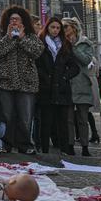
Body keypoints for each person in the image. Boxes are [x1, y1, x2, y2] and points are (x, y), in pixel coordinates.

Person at [0, 5, 42, 155]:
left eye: (17, 19)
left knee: (25, 117)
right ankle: (6, 144)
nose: (14, 22)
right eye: (11, 19)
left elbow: (37, 51)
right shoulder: (0, 34)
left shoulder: (30, 35)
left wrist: (22, 38)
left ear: (23, 21)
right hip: (6, 82)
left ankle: (25, 144)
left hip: (27, 82)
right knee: (7, 116)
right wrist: (9, 38)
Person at [35, 17, 80, 155]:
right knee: (46, 121)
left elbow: (75, 67)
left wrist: (65, 76)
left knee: (63, 121)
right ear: (47, 28)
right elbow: (37, 64)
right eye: (52, 27)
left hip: (61, 88)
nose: (55, 30)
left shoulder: (65, 44)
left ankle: (65, 149)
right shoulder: (41, 42)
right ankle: (44, 149)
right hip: (46, 88)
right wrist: (45, 77)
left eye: (58, 28)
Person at [62, 18, 97, 157]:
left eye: (65, 27)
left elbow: (86, 60)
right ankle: (70, 145)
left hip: (82, 83)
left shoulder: (85, 43)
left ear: (73, 28)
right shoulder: (60, 43)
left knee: (83, 118)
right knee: (68, 118)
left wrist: (73, 47)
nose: (63, 29)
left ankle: (85, 146)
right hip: (67, 84)